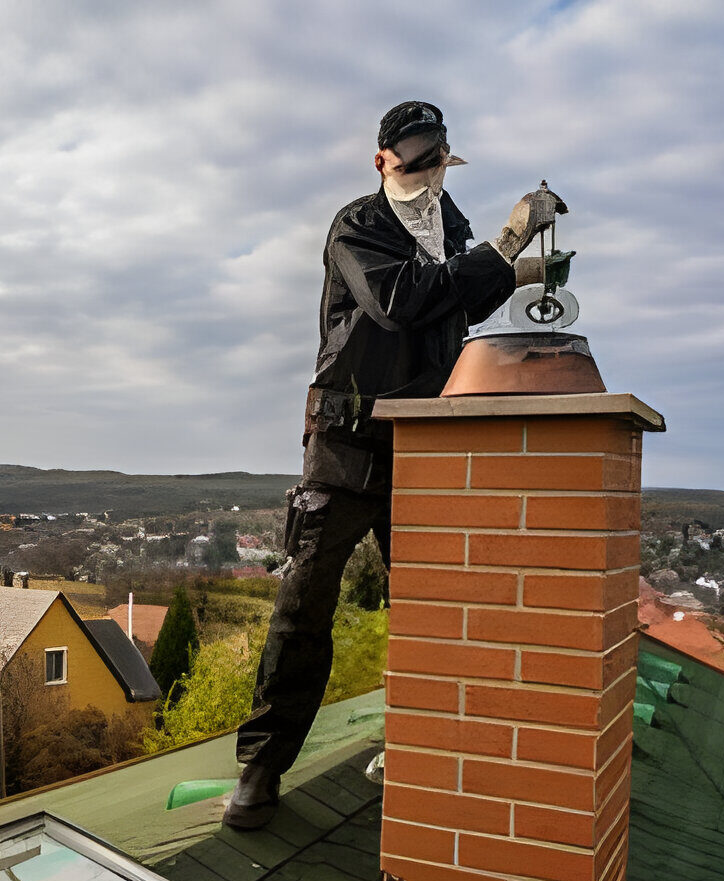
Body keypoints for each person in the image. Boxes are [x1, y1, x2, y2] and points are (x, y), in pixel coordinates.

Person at [223, 100, 558, 830]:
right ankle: (263, 765)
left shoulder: (452, 226)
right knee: (305, 603)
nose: (426, 174)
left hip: (423, 443)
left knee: (434, 602)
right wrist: (507, 244)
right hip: (347, 443)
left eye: (435, 160)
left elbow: (454, 304)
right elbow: (399, 301)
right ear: (382, 162)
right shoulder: (358, 225)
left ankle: (428, 741)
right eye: (413, 161)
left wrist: (521, 270)